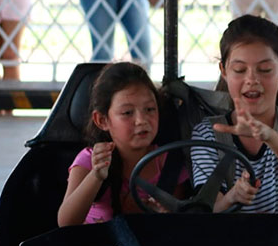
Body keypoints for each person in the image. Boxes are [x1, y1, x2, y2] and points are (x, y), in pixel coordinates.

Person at [190, 14, 278, 224]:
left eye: (264, 70)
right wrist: (232, 198)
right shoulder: (208, 133)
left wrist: (269, 136)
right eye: (240, 70)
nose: (252, 79)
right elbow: (207, 208)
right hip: (234, 243)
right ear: (224, 71)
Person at [58, 62, 188, 226]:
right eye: (127, 112)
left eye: (149, 109)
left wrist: (165, 214)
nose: (141, 120)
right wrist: (96, 176)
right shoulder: (89, 160)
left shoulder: (169, 163)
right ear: (102, 120)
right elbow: (66, 223)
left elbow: (178, 220)